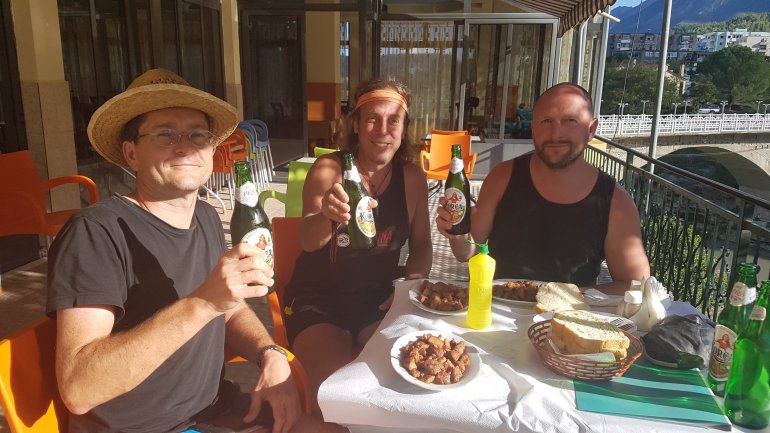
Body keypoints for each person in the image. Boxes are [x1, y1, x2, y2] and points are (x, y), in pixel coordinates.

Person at [46, 69, 345, 433]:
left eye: (198, 135)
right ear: (131, 153)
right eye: (165, 134)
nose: (185, 147)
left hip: (213, 409)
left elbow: (229, 309)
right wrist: (202, 302)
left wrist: (269, 353)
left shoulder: (205, 215)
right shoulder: (96, 233)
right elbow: (79, 390)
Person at [284, 78, 433, 414]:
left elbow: (422, 244)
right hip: (318, 299)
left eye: (393, 120)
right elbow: (307, 241)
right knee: (331, 401)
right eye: (372, 118)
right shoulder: (329, 169)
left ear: (404, 128)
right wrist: (326, 216)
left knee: (404, 389)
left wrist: (410, 284)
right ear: (355, 124)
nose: (383, 130)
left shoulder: (412, 177)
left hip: (378, 300)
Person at [436, 82, 650, 295]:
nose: (556, 134)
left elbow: (635, 286)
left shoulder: (615, 202)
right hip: (496, 307)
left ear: (591, 129)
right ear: (533, 128)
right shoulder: (502, 177)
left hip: (570, 312)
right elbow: (467, 252)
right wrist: (458, 234)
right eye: (546, 121)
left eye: (570, 121)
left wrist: (558, 296)